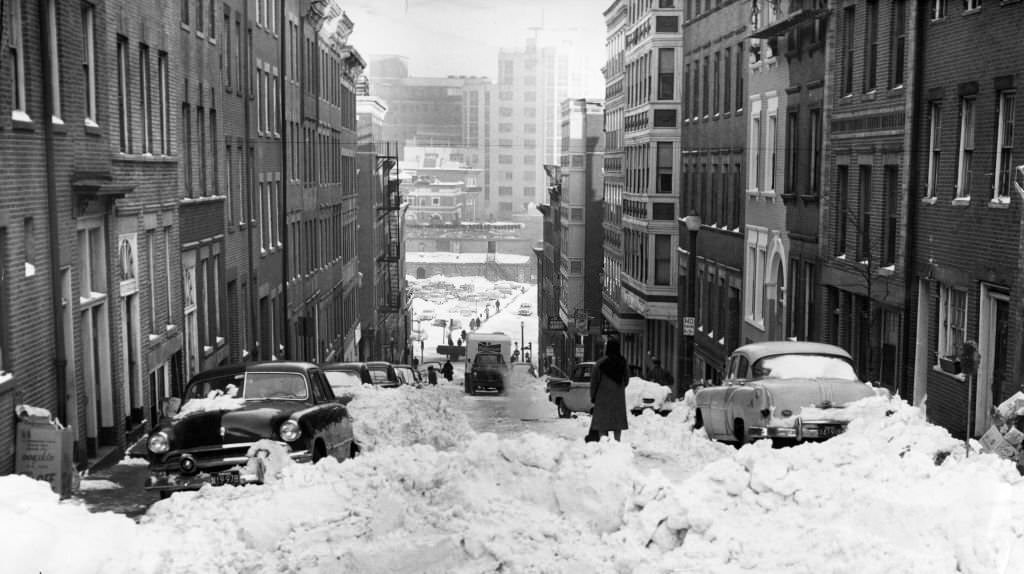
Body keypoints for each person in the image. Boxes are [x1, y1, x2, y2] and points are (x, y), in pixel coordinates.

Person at [588, 338, 629, 441]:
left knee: (603, 425)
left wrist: (593, 397)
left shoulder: (600, 364)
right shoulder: (623, 363)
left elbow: (594, 382)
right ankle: (617, 443)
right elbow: (626, 380)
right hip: (618, 400)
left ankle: (604, 444)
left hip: (602, 399)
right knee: (617, 425)